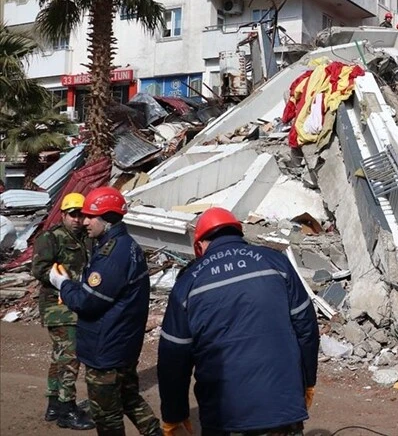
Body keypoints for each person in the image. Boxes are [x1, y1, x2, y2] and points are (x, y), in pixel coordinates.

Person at [157, 208, 319, 436]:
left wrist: (174, 414)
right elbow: (307, 329)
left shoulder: (188, 284)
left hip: (224, 416)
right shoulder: (276, 262)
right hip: (282, 407)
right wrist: (307, 380)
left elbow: (173, 357)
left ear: (201, 244)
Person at [49, 187, 161, 436]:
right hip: (122, 344)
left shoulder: (112, 256)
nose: (84, 221)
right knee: (129, 398)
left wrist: (63, 284)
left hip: (107, 349)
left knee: (106, 415)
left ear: (108, 218)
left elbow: (87, 302)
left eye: (90, 216)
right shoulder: (125, 245)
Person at [31, 193, 95, 430]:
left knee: (60, 355)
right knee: (70, 356)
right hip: (58, 306)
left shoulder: (85, 239)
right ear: (64, 215)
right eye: (73, 215)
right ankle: (66, 409)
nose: (78, 219)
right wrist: (61, 280)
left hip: (74, 303)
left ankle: (54, 404)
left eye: (82, 215)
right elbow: (38, 268)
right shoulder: (51, 237)